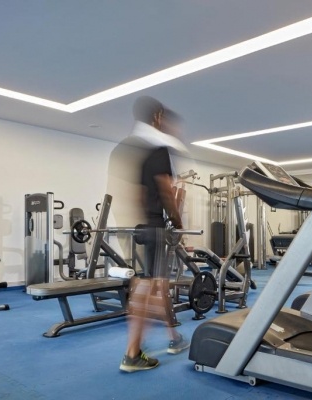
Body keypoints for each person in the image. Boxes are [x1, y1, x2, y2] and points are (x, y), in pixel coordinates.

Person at [119, 96, 190, 373]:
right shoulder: (159, 149)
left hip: (143, 227)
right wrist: (177, 221)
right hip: (156, 226)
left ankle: (174, 336)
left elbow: (137, 194)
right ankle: (132, 353)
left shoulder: (135, 148)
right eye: (166, 120)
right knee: (149, 288)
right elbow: (166, 190)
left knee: (155, 285)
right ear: (158, 116)